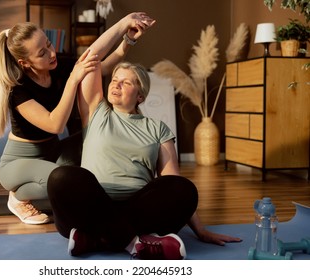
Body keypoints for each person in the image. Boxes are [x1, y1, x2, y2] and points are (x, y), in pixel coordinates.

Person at [47, 20, 242, 260]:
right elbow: (90, 58)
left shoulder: (157, 128)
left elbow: (172, 181)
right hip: (92, 205)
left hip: (137, 208)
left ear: (140, 95)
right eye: (115, 79)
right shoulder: (96, 111)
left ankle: (96, 238)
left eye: (126, 82)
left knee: (185, 190)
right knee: (61, 177)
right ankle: (135, 242)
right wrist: (123, 28)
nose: (116, 84)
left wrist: (200, 230)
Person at [0, 13, 155, 225]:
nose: (51, 53)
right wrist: (73, 78)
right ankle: (18, 196)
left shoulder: (55, 64)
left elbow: (97, 66)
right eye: (42, 53)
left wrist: (126, 38)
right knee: (66, 182)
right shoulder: (18, 91)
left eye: (49, 44)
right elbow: (55, 124)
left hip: (52, 151)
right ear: (25, 63)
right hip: (18, 163)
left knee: (93, 137)